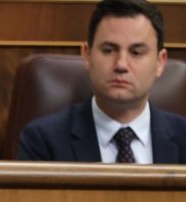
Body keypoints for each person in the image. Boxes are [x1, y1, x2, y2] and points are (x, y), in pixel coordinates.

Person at [17, 0, 186, 163]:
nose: (121, 64)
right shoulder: (43, 141)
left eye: (136, 52)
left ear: (160, 62)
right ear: (87, 55)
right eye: (108, 50)